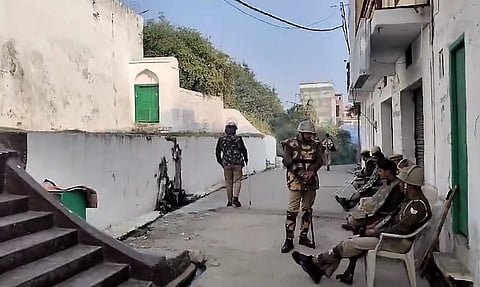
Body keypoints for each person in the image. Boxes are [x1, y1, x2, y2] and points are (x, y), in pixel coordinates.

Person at [292, 165, 431, 285]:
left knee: (349, 244)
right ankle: (320, 268)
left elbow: (402, 229)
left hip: (397, 241)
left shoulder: (417, 206)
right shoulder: (411, 200)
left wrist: (375, 232)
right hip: (391, 236)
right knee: (354, 240)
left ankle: (315, 262)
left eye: (402, 182)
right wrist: (375, 227)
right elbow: (393, 217)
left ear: (408, 185)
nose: (400, 184)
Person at [281, 120, 323, 253]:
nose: (310, 136)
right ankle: (289, 240)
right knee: (292, 210)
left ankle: (304, 236)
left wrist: (311, 170)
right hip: (295, 179)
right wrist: (300, 173)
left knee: (307, 209)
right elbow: (287, 160)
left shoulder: (316, 144)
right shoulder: (290, 143)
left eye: (311, 134)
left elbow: (319, 160)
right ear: (301, 133)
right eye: (307, 134)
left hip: (311, 180)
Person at [342, 158, 404, 233]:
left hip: (383, 216)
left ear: (388, 172)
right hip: (379, 212)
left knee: (352, 220)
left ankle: (361, 229)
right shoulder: (388, 183)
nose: (378, 173)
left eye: (380, 171)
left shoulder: (397, 187)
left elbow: (391, 209)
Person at [335, 146, 385, 211]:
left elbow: (371, 176)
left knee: (363, 191)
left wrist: (364, 184)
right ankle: (348, 204)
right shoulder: (381, 160)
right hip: (377, 182)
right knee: (363, 191)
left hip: (379, 184)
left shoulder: (374, 162)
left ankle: (347, 202)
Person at [215, 120, 248, 207]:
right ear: (235, 130)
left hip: (226, 163)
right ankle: (235, 197)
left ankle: (229, 201)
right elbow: (244, 150)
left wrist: (221, 162)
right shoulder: (239, 139)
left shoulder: (221, 139)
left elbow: (217, 152)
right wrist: (246, 159)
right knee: (237, 181)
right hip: (237, 163)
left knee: (228, 182)